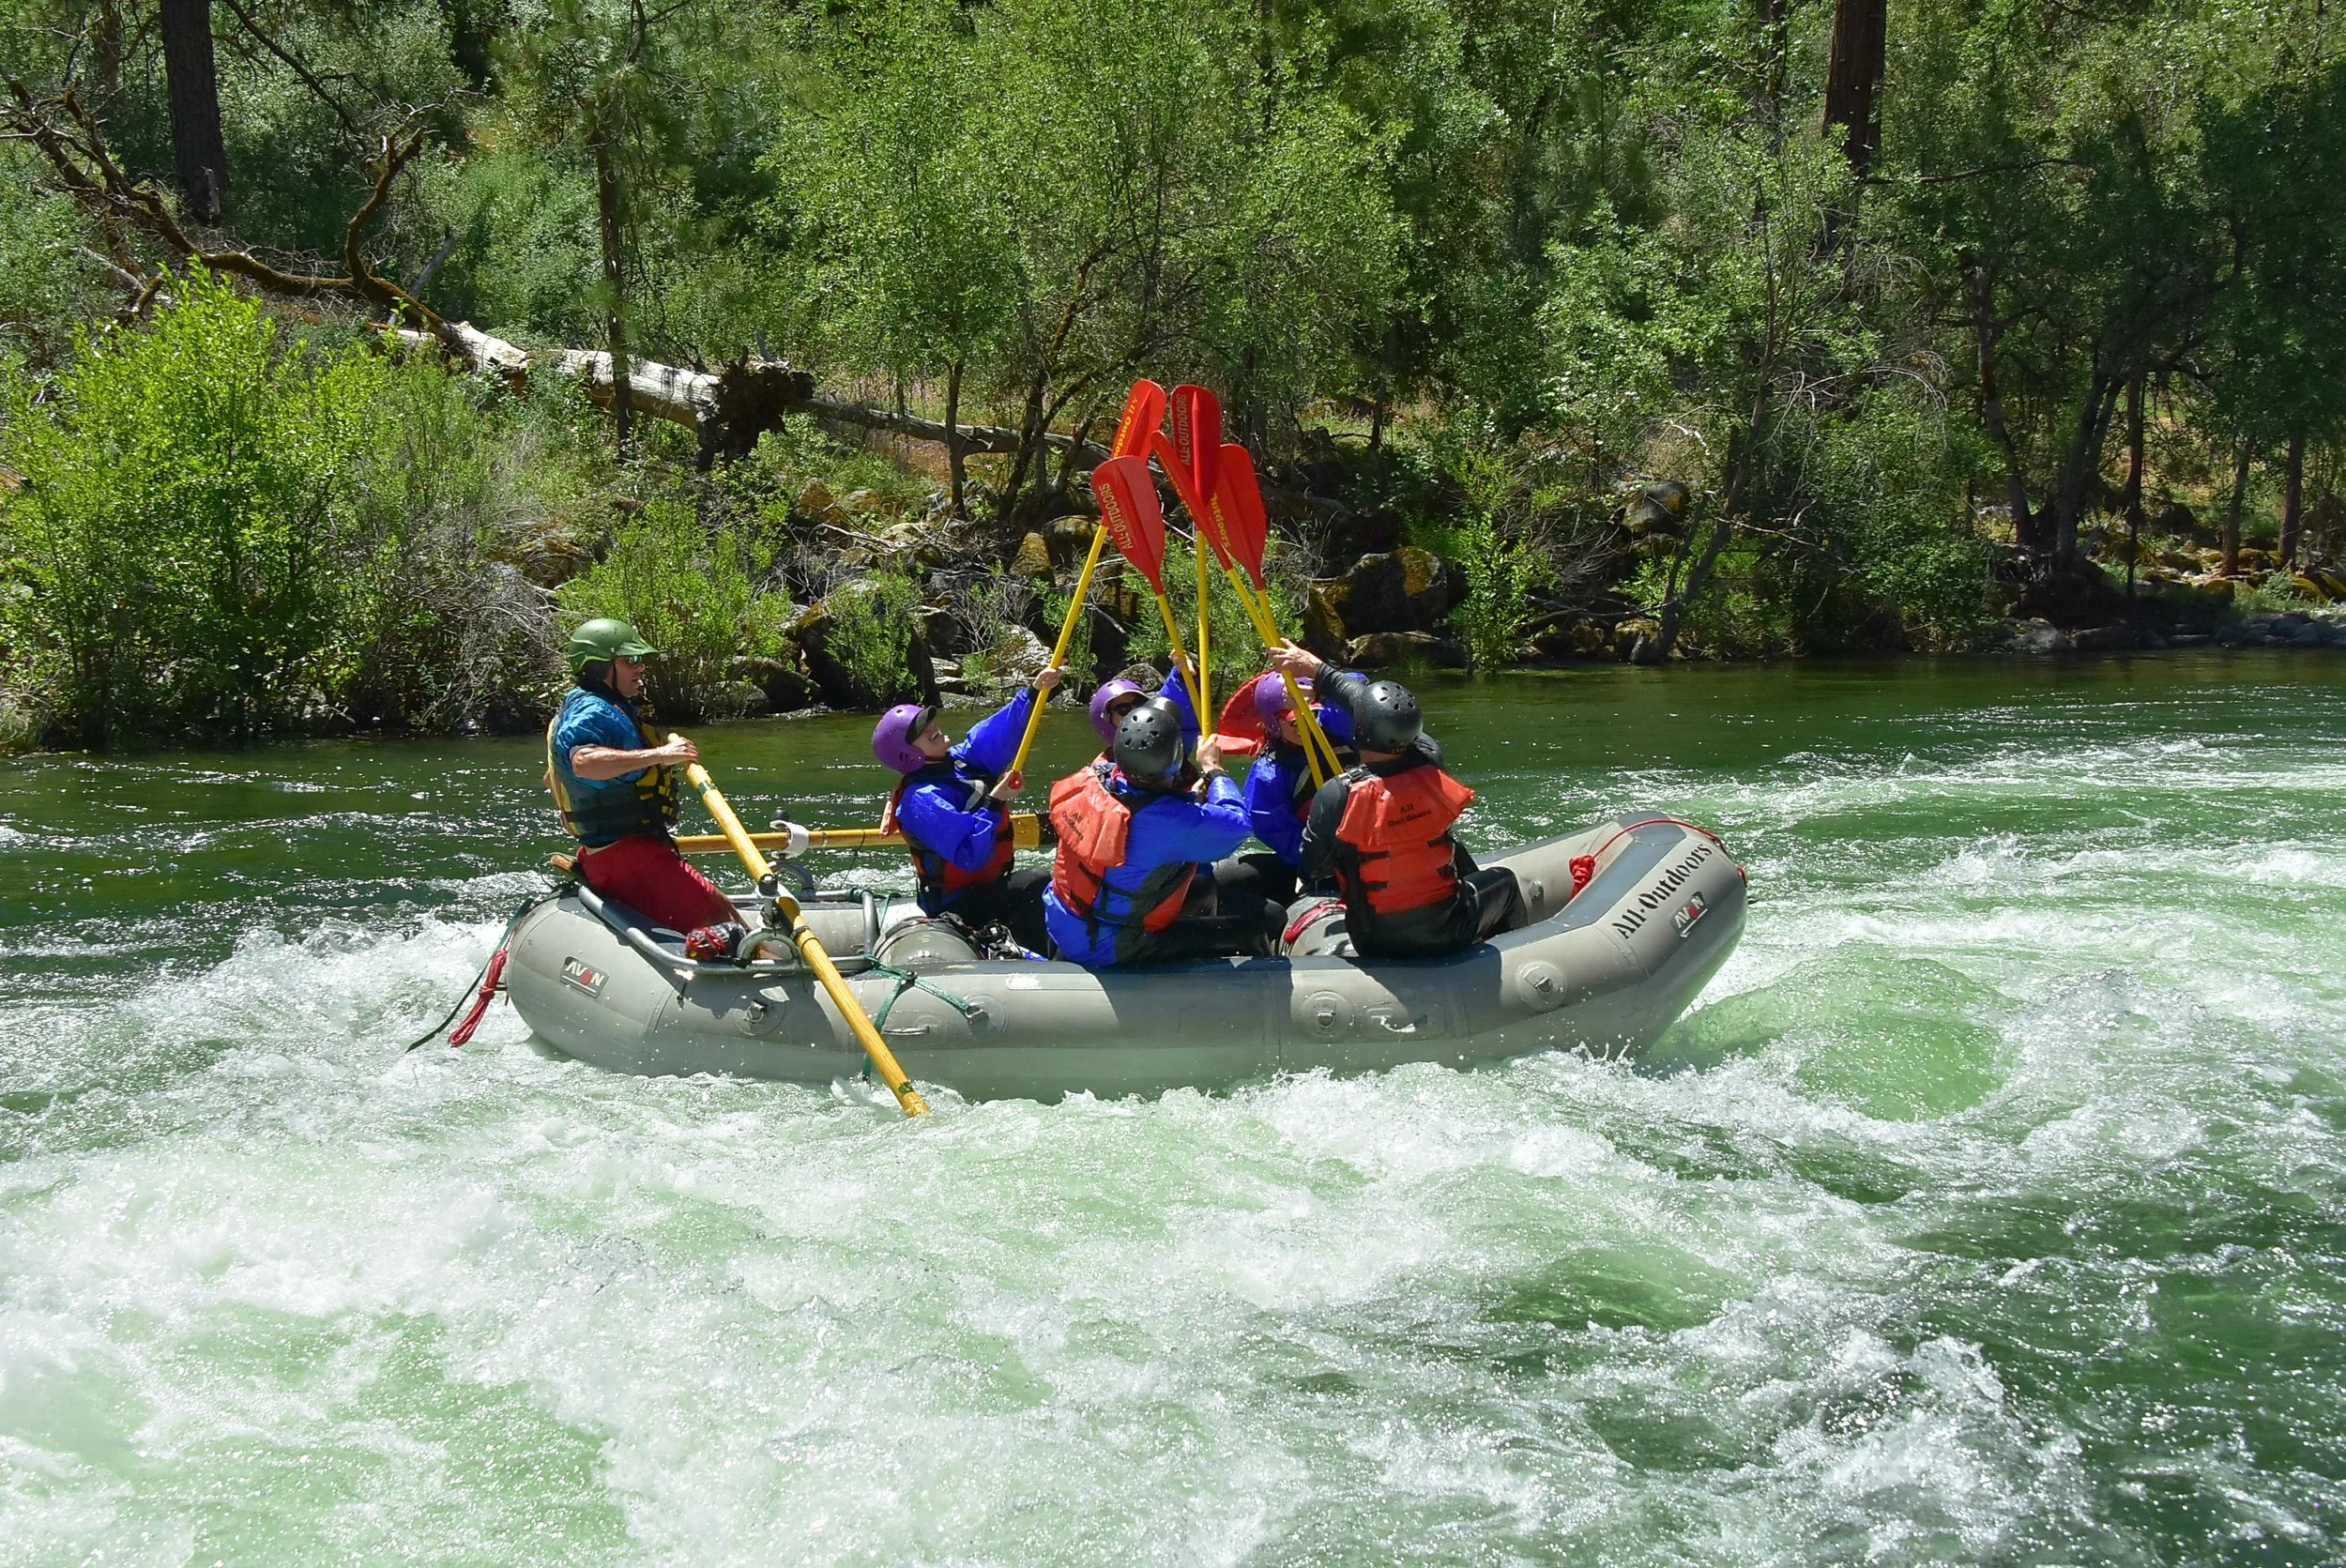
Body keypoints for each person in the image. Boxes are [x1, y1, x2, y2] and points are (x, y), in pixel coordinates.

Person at [1274, 644, 1525, 958]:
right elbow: (1375, 710)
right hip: (1449, 928)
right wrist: (1319, 672)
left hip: (1373, 938)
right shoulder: (1431, 762)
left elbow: (1314, 868)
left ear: (1359, 732)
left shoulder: (1336, 793)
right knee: (1505, 882)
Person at [1044, 698, 1275, 967]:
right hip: (1110, 944)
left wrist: (1189, 800)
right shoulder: (1168, 821)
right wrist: (1214, 769)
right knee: (1250, 933)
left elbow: (1147, 815)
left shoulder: (1094, 778)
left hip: (1065, 920)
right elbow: (1238, 826)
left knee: (1201, 887)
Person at [545, 617, 739, 936]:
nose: (640, 667)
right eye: (630, 660)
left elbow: (553, 778)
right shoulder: (594, 711)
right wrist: (661, 755)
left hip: (611, 853)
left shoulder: (588, 705)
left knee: (721, 912)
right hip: (626, 857)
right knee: (724, 922)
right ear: (600, 667)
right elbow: (584, 763)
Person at [871, 668, 1063, 953]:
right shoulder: (920, 799)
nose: (932, 727)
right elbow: (971, 856)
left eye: (928, 720)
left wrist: (1033, 692)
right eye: (920, 731)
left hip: (987, 887)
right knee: (1035, 880)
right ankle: (1047, 962)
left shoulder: (961, 760)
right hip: (957, 904)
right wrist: (994, 801)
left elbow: (998, 733)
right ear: (908, 754)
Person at [1216, 670, 1358, 908]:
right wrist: (1323, 856)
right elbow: (1278, 833)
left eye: (1311, 714)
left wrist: (1323, 690)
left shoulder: (1337, 727)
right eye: (1294, 722)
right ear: (1274, 723)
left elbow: (1362, 694)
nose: (1306, 725)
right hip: (1325, 858)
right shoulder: (1269, 774)